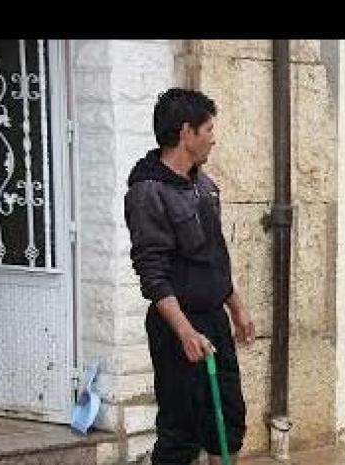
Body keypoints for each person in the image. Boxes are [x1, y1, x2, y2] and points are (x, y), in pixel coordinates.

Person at [124, 88, 256, 464]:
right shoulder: (148, 191)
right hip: (177, 326)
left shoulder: (203, 185)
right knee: (181, 431)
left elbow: (215, 254)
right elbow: (152, 272)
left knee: (226, 420)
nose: (214, 137)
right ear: (186, 132)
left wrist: (236, 306)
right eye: (209, 129)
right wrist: (184, 331)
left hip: (213, 319)